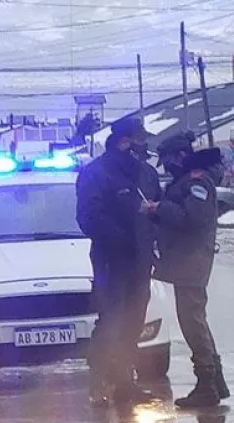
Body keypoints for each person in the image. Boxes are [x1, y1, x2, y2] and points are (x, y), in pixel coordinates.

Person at [76, 117, 163, 406]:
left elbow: (159, 209)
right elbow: (88, 218)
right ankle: (99, 382)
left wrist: (157, 236)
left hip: (141, 260)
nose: (144, 146)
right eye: (140, 140)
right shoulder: (96, 173)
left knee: (134, 321)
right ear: (124, 142)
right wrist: (121, 239)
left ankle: (125, 382)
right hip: (111, 261)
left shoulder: (146, 173)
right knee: (111, 321)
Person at [146, 142, 229, 408]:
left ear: (181, 156)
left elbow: (194, 218)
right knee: (195, 319)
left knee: (192, 321)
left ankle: (207, 383)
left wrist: (160, 208)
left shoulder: (197, 181)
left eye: (170, 160)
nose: (168, 167)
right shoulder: (188, 179)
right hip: (187, 260)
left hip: (192, 260)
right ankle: (214, 380)